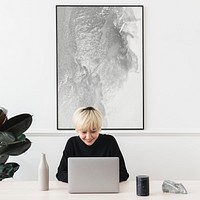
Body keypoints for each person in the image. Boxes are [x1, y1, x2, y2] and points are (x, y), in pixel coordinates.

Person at [56, 106, 129, 183]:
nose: (88, 137)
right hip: (80, 187)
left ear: (99, 128)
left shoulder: (110, 141)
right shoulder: (72, 143)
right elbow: (60, 174)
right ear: (77, 130)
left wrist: (95, 180)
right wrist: (82, 180)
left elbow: (123, 174)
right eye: (84, 132)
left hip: (104, 188)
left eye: (93, 131)